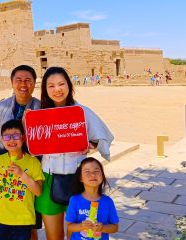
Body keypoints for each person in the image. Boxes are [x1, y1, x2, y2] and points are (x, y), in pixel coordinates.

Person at [35, 67, 114, 240]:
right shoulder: (39, 115)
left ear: (69, 86)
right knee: (53, 237)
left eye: (61, 84)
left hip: (78, 181)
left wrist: (91, 144)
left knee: (78, 235)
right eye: (51, 85)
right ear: (45, 90)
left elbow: (103, 136)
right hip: (49, 179)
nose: (57, 89)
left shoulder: (82, 112)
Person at [0, 65, 41, 239]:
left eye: (28, 80)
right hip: (5, 170)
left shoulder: (42, 107)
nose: (23, 84)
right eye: (18, 80)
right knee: (8, 215)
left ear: (34, 83)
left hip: (31, 170)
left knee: (31, 224)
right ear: (12, 83)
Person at [0, 120, 44, 240]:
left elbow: (38, 191)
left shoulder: (33, 162)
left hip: (23, 221)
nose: (11, 140)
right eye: (7, 137)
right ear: (2, 140)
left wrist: (22, 174)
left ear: (23, 138)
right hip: (0, 218)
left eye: (15, 136)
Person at [66, 157, 119, 239]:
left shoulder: (108, 201)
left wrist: (103, 228)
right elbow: (69, 226)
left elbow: (115, 227)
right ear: (80, 178)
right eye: (87, 171)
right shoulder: (74, 200)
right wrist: (81, 226)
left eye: (97, 171)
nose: (93, 175)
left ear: (102, 175)